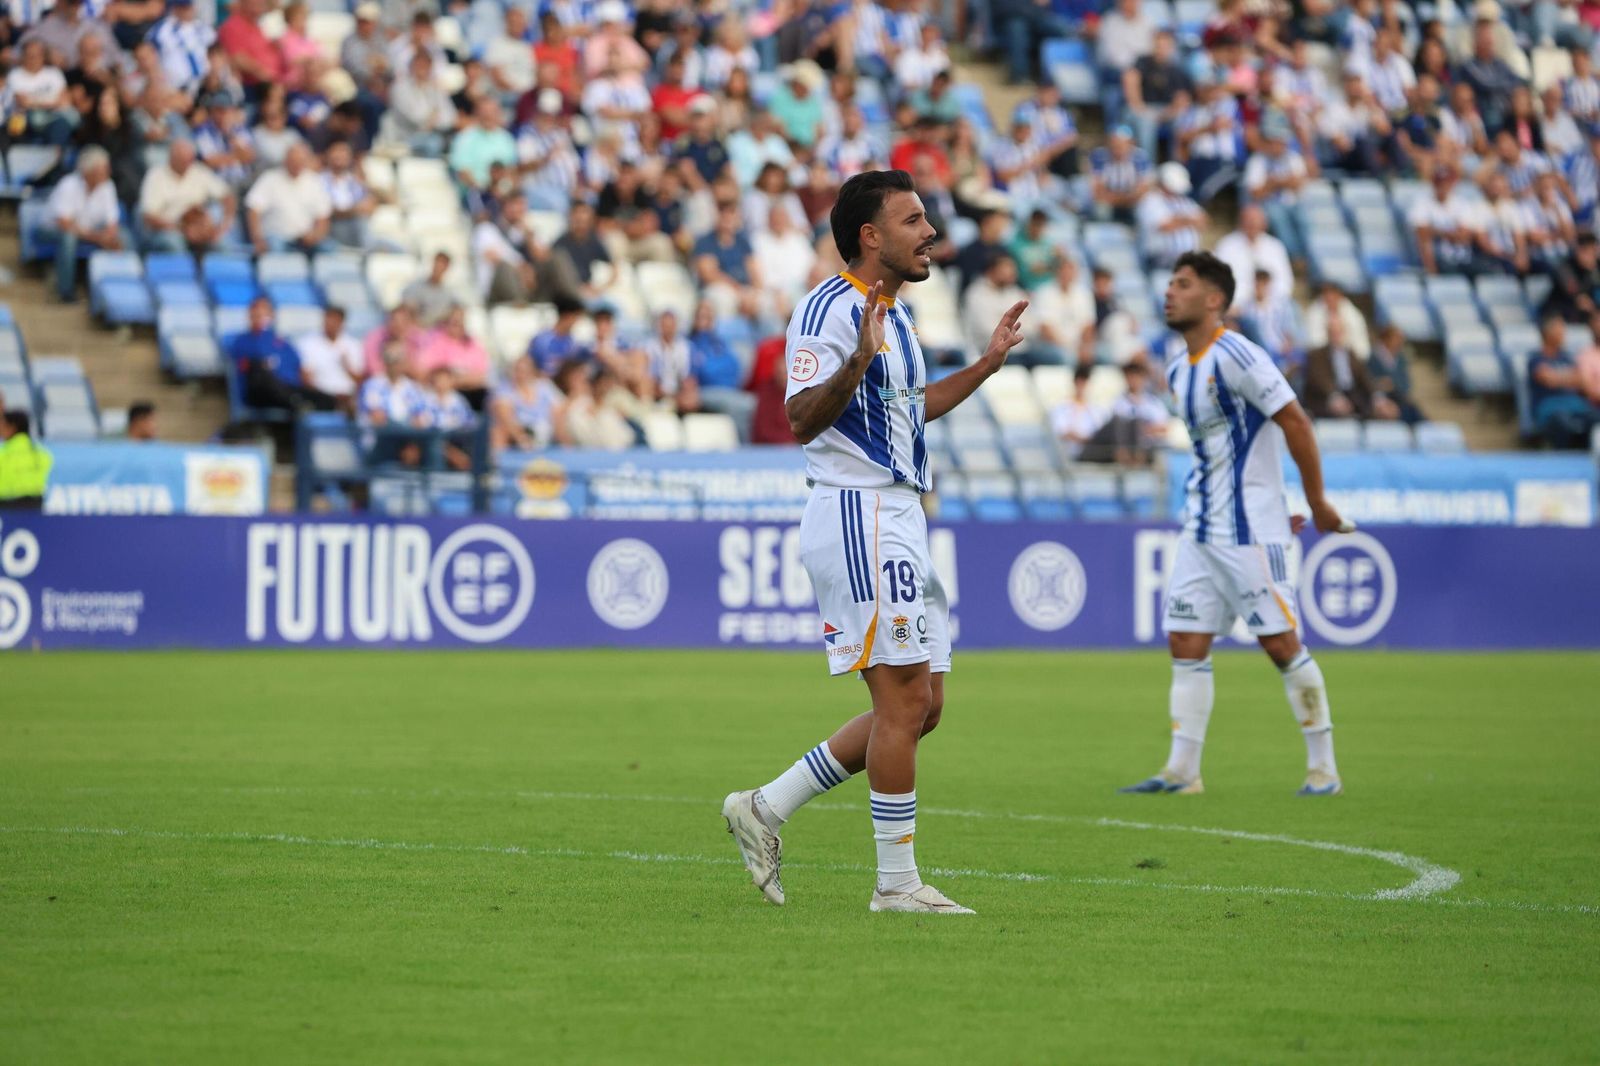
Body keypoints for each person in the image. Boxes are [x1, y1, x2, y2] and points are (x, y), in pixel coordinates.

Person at [721, 169, 1028, 916]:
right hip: (859, 513)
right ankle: (896, 886)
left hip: (902, 515)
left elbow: (909, 411)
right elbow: (798, 418)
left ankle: (764, 806)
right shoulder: (830, 310)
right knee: (901, 701)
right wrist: (857, 361)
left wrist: (985, 365)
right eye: (915, 220)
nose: (931, 233)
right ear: (871, 235)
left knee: (923, 707)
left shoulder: (896, 315)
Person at [1120, 251, 1351, 798]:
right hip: (1202, 527)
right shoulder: (1178, 368)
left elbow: (1294, 421)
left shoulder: (1239, 355)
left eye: (1183, 284)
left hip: (1248, 529)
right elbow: (1228, 449)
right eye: (1169, 282)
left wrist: (1314, 503)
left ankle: (1324, 768)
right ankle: (1182, 772)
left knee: (1280, 644)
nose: (1169, 292)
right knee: (1185, 640)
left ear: (1214, 299)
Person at [42, 147, 129, 303]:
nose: (109, 171)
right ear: (90, 171)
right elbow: (64, 224)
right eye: (104, 168)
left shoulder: (107, 186)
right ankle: (66, 291)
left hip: (87, 231)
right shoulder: (68, 184)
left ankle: (120, 290)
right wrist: (98, 238)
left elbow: (113, 222)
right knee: (69, 238)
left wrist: (109, 235)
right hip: (52, 231)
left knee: (125, 237)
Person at [231, 297, 337, 413]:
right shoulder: (243, 341)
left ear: (271, 316)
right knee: (260, 370)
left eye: (264, 314)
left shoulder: (282, 342)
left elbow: (299, 366)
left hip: (289, 389)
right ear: (250, 316)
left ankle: (301, 404)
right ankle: (298, 404)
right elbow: (251, 369)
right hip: (261, 394)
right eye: (256, 314)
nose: (260, 318)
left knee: (327, 399)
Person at [138, 140, 234, 253]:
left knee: (223, 244)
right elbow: (149, 217)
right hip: (169, 229)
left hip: (199, 226)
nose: (188, 164)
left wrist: (224, 223)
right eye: (183, 160)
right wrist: (182, 229)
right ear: (172, 158)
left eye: (190, 160)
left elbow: (227, 196)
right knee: (174, 244)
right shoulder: (155, 176)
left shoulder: (199, 171)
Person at [1303, 316, 1400, 420]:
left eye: (1338, 332)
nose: (1336, 335)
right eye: (1333, 332)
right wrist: (1334, 396)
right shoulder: (1317, 355)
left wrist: (1379, 398)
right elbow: (1319, 379)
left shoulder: (1351, 354)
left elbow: (1365, 377)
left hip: (1352, 396)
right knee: (1340, 409)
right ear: (1327, 333)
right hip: (1326, 398)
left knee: (1382, 411)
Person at [244, 143, 332, 255]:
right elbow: (254, 210)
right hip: (276, 237)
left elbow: (323, 216)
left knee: (330, 248)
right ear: (285, 160)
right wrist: (258, 239)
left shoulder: (314, 181)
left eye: (300, 161)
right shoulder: (269, 178)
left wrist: (315, 236)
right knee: (275, 247)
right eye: (293, 160)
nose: (296, 164)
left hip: (305, 238)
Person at [1527, 316, 1599, 447]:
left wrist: (1557, 377)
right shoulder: (1536, 358)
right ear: (1548, 333)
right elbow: (1546, 378)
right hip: (1550, 407)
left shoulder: (1566, 357)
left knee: (1595, 417)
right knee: (1562, 421)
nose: (1563, 334)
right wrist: (1569, 378)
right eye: (1560, 330)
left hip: (1575, 404)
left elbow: (1580, 380)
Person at [1214, 204, 1292, 311]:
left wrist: (1266, 299)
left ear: (1264, 224)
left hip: (1272, 305)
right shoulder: (1226, 246)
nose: (1252, 225)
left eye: (1256, 221)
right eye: (1248, 221)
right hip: (1238, 306)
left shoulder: (1275, 246)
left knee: (1291, 309)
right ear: (1240, 222)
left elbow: (1285, 282)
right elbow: (1220, 282)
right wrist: (1249, 298)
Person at [294, 305, 365, 413]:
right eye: (328, 318)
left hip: (347, 397)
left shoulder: (353, 345)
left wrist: (347, 366)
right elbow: (306, 378)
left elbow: (360, 380)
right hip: (321, 398)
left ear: (342, 323)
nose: (330, 323)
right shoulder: (308, 344)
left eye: (335, 320)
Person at [490, 356, 560, 451]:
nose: (521, 374)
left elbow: (558, 410)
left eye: (525, 370)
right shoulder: (504, 389)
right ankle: (499, 463)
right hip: (518, 431)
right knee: (498, 432)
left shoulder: (545, 386)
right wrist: (521, 437)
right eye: (518, 370)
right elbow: (505, 416)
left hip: (544, 429)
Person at [1049, 364, 1107, 459]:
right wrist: (1085, 439)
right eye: (1079, 382)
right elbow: (1062, 433)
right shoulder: (1061, 408)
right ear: (1074, 382)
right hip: (1074, 452)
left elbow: (1101, 434)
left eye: (1084, 382)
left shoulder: (1097, 409)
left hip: (1092, 449)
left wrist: (1085, 439)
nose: (1081, 386)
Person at [0, 411, 52, 510]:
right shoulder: (40, 453)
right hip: (35, 505)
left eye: (2, 425)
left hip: (6, 507)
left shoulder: (3, 454)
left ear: (12, 427)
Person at [402, 252, 457, 328]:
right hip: (416, 331)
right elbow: (406, 310)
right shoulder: (415, 287)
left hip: (438, 334)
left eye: (442, 265)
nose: (438, 267)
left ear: (447, 268)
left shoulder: (449, 294)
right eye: (437, 263)